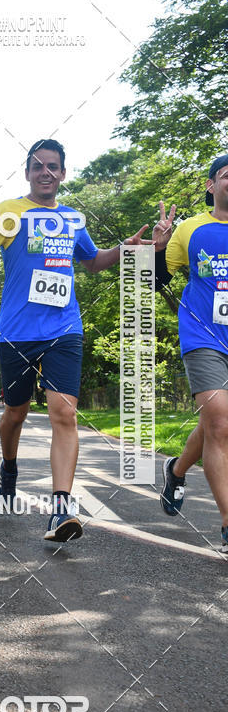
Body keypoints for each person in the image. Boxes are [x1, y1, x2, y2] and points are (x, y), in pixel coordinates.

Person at [0, 139, 151, 542]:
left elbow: (91, 261)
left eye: (53, 166)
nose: (46, 172)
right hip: (16, 332)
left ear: (63, 173)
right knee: (14, 414)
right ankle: (10, 467)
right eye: (38, 166)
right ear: (28, 173)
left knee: (64, 415)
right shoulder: (9, 212)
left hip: (64, 329)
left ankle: (61, 509)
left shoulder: (72, 219)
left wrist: (125, 249)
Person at [155, 154, 228, 552]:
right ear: (211, 186)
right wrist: (159, 247)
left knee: (219, 421)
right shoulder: (191, 228)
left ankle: (177, 469)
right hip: (204, 338)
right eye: (226, 175)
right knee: (220, 424)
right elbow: (154, 280)